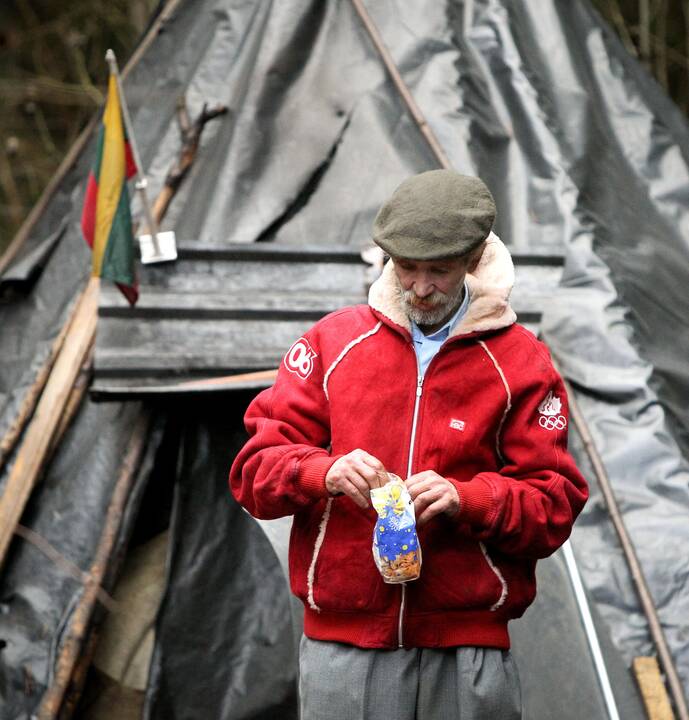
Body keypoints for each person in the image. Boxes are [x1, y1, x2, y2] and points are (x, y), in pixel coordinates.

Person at [230, 170, 588, 720]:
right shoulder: (332, 344)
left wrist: (471, 500)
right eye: (406, 268)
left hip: (468, 648)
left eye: (439, 271)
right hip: (343, 646)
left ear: (472, 260)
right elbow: (254, 471)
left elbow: (555, 503)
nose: (420, 288)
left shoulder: (522, 364)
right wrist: (319, 472)